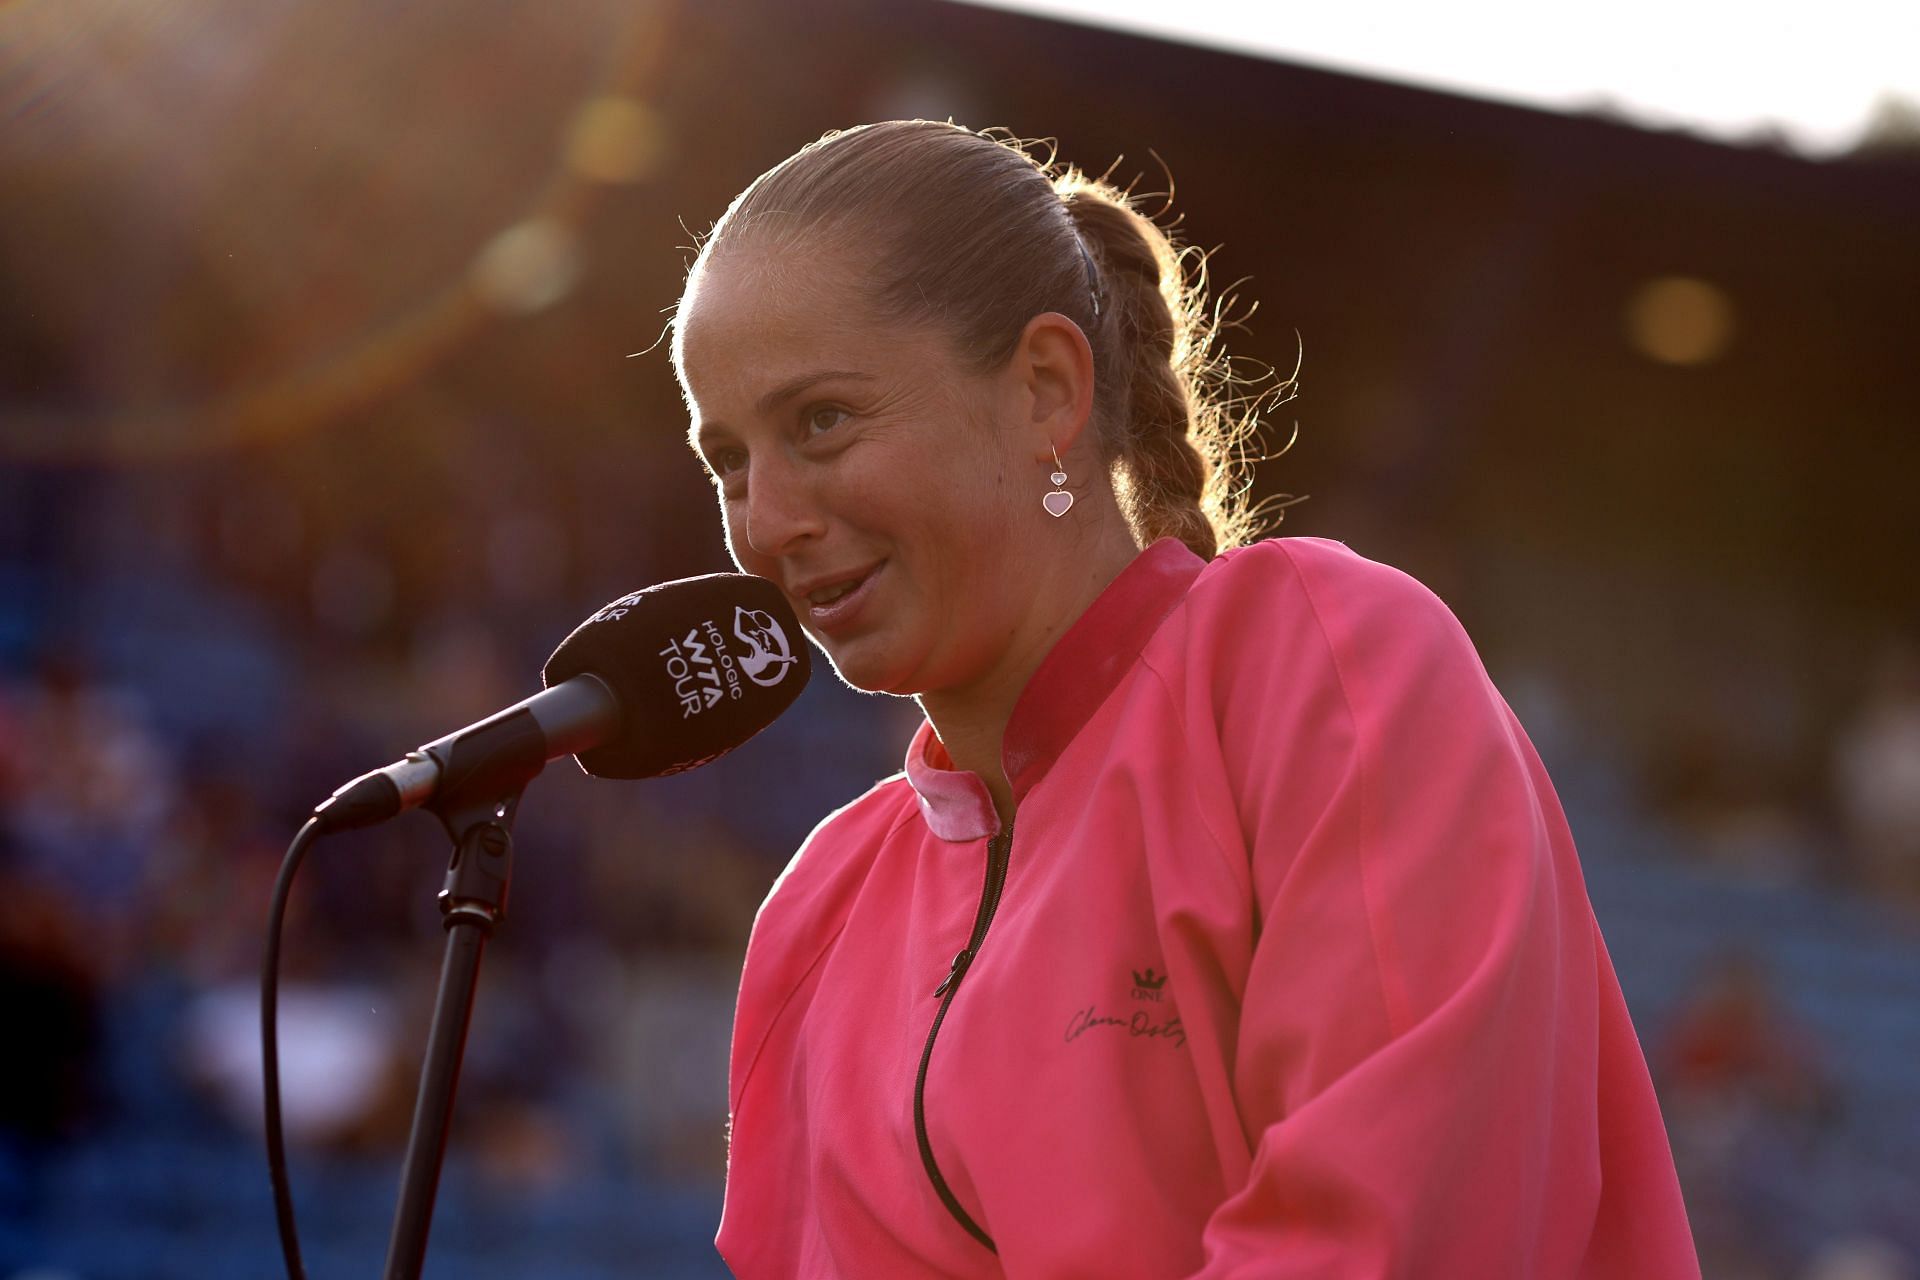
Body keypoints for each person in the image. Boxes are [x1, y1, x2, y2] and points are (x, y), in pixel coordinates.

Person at [668, 119, 1699, 1278]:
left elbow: (1390, 1234)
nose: (765, 522)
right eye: (732, 462)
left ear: (1046, 390)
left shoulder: (1319, 661)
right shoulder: (824, 909)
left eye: (821, 422)